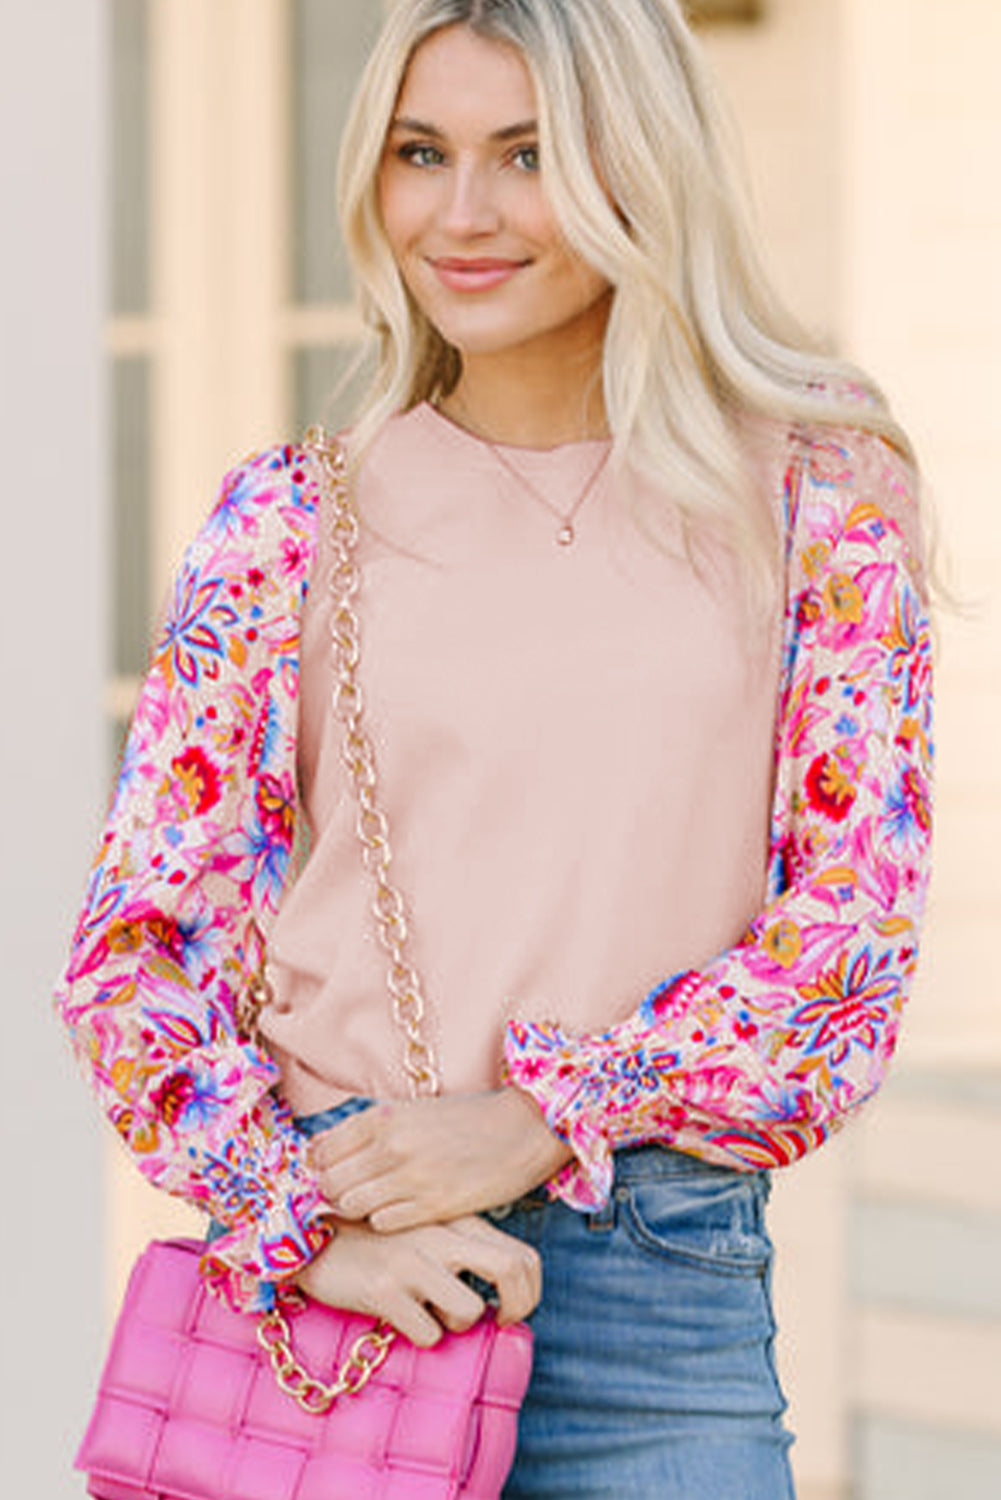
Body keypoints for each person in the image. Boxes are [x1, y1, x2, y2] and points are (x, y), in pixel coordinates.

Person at [56, 2, 934, 1495]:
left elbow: (845, 940)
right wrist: (307, 1222)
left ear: (633, 165)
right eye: (421, 153)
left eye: (525, 154)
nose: (460, 214)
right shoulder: (289, 522)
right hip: (346, 1289)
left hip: (658, 1303)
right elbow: (136, 952)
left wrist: (542, 1117)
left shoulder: (814, 495)